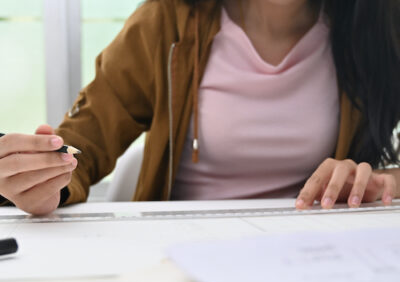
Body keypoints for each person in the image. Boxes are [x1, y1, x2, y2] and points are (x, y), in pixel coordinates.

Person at [0, 0, 399, 215]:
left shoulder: (384, 25)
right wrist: (47, 183)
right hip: (184, 257)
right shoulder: (165, 21)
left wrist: (390, 181)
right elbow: (83, 144)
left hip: (325, 258)